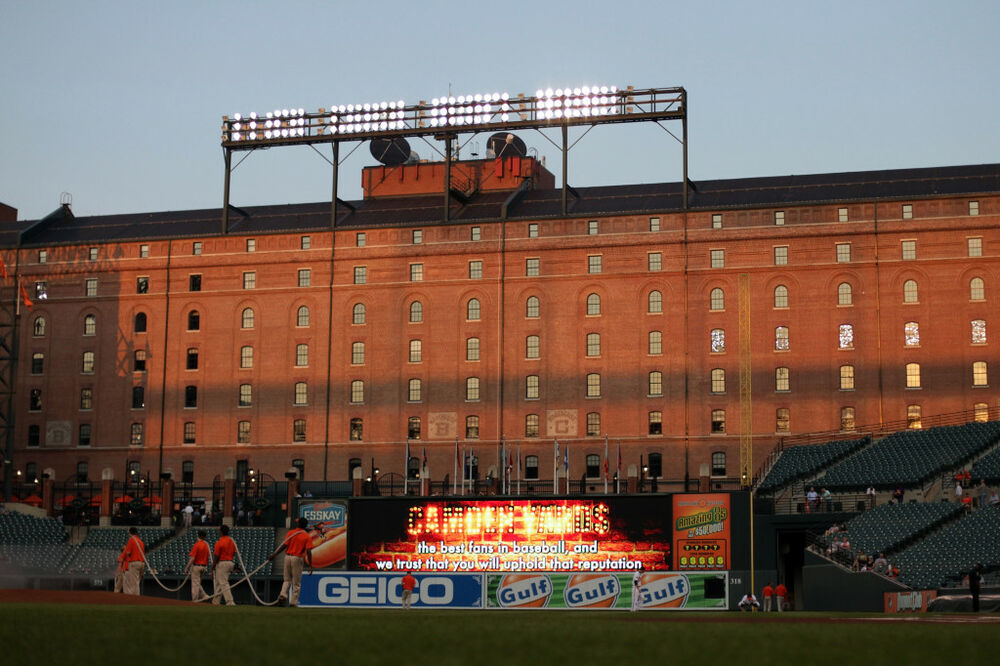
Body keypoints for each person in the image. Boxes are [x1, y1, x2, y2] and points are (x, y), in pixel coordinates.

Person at [268, 517, 314, 607]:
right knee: (296, 582)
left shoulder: (291, 533)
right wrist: (310, 565)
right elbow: (309, 551)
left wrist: (274, 554)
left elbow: (284, 545)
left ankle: (283, 594)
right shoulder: (306, 536)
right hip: (297, 558)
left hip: (287, 557)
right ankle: (293, 602)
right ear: (305, 526)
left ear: (298, 524)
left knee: (287, 579)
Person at [212, 524, 237, 606]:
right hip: (230, 562)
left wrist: (213, 566)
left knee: (223, 583)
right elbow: (234, 553)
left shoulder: (219, 542)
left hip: (222, 563)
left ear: (221, 532)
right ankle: (216, 601)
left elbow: (216, 556)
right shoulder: (231, 541)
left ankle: (230, 602)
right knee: (219, 583)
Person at [183, 529, 211, 602]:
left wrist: (186, 568)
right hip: (204, 566)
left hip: (197, 566)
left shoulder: (197, 544)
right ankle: (205, 596)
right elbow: (207, 557)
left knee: (195, 584)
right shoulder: (206, 545)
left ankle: (195, 600)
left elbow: (192, 558)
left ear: (198, 536)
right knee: (197, 583)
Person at [118, 526, 145, 596]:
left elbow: (128, 552)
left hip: (134, 562)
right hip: (141, 563)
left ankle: (131, 599)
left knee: (131, 584)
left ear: (130, 532)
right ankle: (136, 598)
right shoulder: (141, 542)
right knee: (136, 583)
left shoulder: (131, 540)